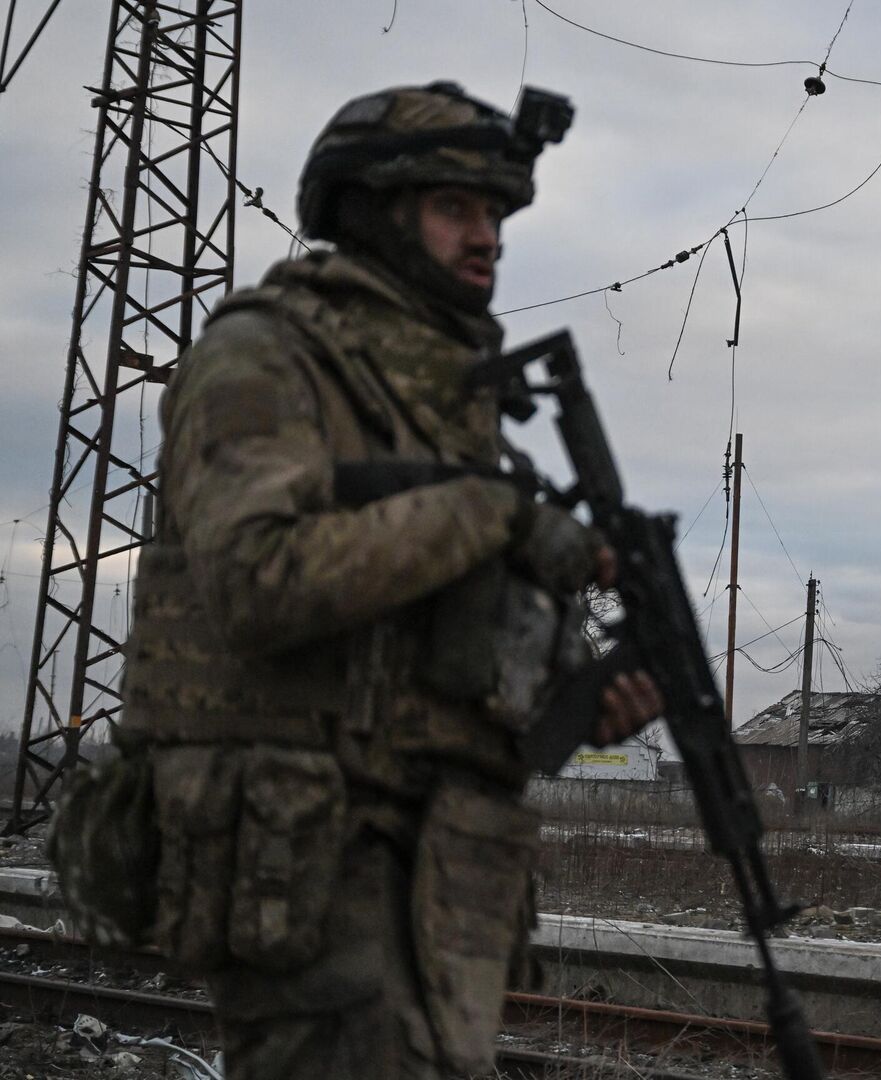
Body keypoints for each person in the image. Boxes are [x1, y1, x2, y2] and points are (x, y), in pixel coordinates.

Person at [116, 81, 660, 1078]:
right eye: (456, 207)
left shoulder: (435, 394)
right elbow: (258, 580)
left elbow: (435, 637)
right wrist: (490, 512)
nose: (487, 236)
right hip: (314, 864)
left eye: (495, 213)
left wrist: (575, 696)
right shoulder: (267, 354)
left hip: (443, 869)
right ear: (373, 210)